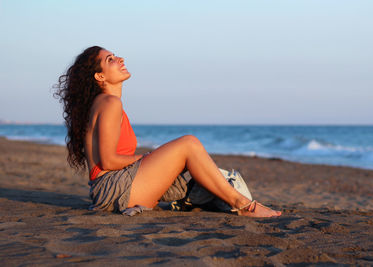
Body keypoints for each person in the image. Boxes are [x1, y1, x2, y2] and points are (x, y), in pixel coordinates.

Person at [54, 46, 281, 218]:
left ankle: (214, 197)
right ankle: (243, 205)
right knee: (188, 144)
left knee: (192, 175)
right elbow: (109, 160)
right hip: (114, 191)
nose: (120, 59)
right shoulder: (109, 103)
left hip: (109, 192)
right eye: (110, 60)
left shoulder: (103, 103)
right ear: (99, 76)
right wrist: (146, 158)